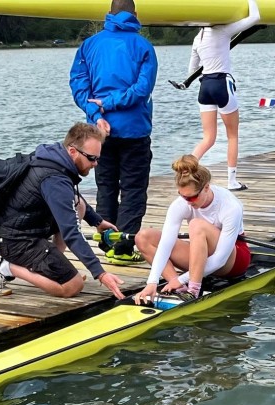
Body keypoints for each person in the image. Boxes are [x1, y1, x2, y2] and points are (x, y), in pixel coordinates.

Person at [0, 123, 125, 300]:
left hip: (29, 227)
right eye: (91, 158)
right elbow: (71, 233)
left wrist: (97, 221)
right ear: (73, 151)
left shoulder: (55, 159)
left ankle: (51, 269)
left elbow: (71, 197)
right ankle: (4, 267)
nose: (95, 164)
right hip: (16, 240)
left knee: (77, 204)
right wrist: (100, 273)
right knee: (72, 286)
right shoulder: (54, 179)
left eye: (97, 159)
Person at [69, 0, 157, 266]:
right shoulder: (143, 47)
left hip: (99, 133)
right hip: (134, 130)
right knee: (133, 188)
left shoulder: (89, 45)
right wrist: (111, 103)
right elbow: (142, 89)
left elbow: (79, 86)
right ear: (135, 14)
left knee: (105, 184)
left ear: (109, 14)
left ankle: (106, 238)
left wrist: (97, 114)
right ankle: (124, 247)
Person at [133, 155, 250, 303]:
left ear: (206, 187)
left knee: (196, 224)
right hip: (202, 258)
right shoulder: (181, 203)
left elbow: (220, 259)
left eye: (192, 197)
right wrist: (152, 282)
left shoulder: (230, 206)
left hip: (233, 261)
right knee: (143, 237)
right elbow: (165, 245)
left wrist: (183, 278)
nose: (187, 202)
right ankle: (179, 288)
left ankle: (193, 290)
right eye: (183, 196)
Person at [188, 0, 260, 192]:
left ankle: (186, 170)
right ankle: (232, 181)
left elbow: (192, 69)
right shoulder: (224, 30)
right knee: (233, 136)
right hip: (222, 84)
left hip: (205, 87)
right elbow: (255, 17)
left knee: (208, 138)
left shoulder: (197, 38)